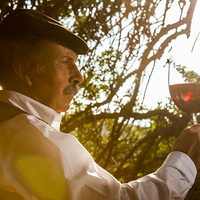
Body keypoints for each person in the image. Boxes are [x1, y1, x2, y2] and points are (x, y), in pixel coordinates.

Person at [0, 8, 199, 200]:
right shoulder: (25, 134)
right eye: (65, 61)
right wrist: (182, 161)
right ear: (24, 70)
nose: (79, 76)